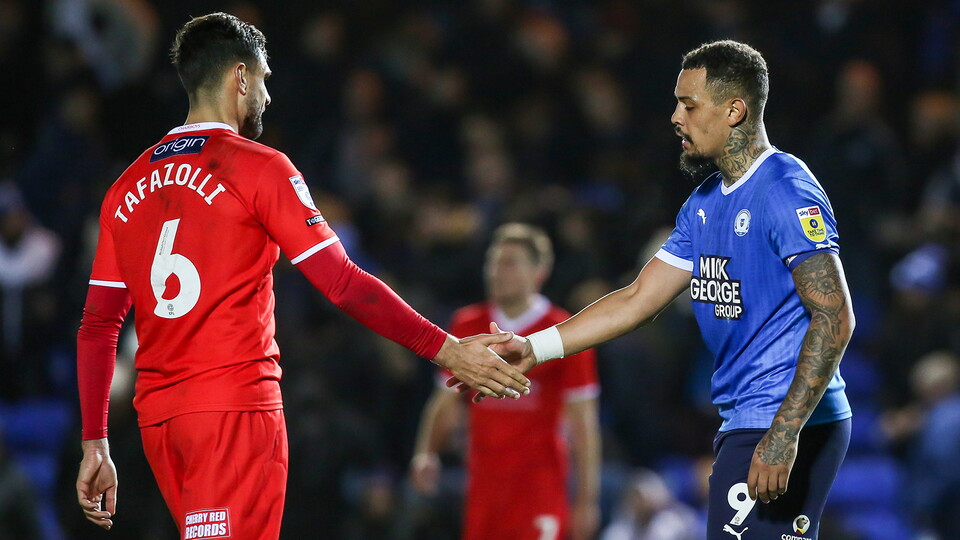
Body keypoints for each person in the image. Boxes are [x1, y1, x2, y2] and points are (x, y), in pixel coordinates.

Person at [73, 12, 530, 539]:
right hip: (232, 410)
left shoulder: (124, 187)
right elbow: (342, 282)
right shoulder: (260, 167)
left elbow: (98, 325)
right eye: (264, 79)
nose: (267, 96)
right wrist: (447, 349)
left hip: (161, 423)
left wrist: (95, 442)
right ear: (240, 77)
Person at [451, 40, 855, 540]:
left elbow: (835, 317)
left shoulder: (785, 190)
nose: (675, 117)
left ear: (734, 110)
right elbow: (637, 299)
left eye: (688, 105)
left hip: (786, 421)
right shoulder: (704, 204)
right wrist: (536, 347)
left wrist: (784, 433)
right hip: (747, 421)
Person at [410, 223, 601, 540]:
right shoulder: (467, 323)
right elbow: (444, 400)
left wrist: (586, 500)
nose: (497, 271)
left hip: (539, 486)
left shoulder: (564, 332)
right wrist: (426, 452)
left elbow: (583, 422)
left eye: (510, 262)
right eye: (493, 262)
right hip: (483, 485)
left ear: (540, 271)